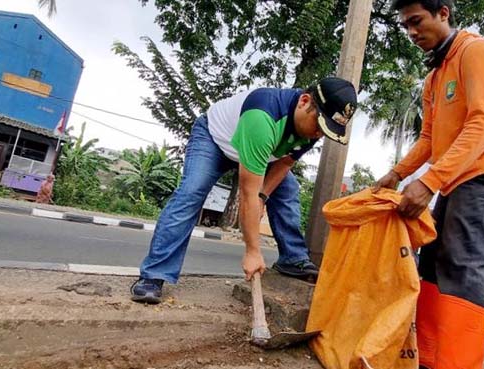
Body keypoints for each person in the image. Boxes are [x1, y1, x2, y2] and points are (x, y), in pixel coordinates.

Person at [373, 1, 484, 368]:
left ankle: (457, 362)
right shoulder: (435, 77)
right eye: (405, 25)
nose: (411, 32)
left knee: (461, 265)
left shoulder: (476, 51)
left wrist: (429, 182)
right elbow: (428, 138)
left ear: (443, 13)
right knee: (431, 262)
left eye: (417, 21)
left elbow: (483, 123)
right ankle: (429, 357)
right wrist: (396, 174)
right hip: (456, 177)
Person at [131, 77, 358, 304]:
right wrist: (252, 251)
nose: (318, 134)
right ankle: (153, 275)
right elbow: (247, 194)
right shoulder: (263, 116)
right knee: (191, 193)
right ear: (304, 101)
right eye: (318, 126)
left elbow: (286, 163)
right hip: (215, 140)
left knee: (287, 190)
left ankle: (293, 257)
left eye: (325, 130)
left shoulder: (311, 127)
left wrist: (264, 195)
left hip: (265, 153)